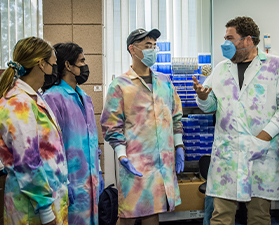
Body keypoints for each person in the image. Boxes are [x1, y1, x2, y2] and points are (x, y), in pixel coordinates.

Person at [193, 16, 279, 225]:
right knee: (221, 216)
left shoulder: (276, 66)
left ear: (248, 40)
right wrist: (203, 97)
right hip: (227, 155)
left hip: (259, 154)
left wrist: (265, 134)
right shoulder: (221, 69)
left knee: (259, 217)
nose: (224, 43)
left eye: (229, 38)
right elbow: (209, 107)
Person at [100, 28, 184, 225]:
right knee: (128, 215)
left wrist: (179, 146)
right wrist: (121, 154)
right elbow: (111, 125)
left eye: (155, 46)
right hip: (135, 163)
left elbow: (176, 117)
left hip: (161, 164)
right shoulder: (120, 85)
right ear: (133, 49)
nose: (152, 50)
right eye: (148, 46)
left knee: (152, 211)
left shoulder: (165, 82)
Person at [0, 37, 68, 225]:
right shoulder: (18, 102)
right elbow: (28, 162)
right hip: (33, 208)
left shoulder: (33, 97)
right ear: (41, 64)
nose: (55, 70)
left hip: (48, 200)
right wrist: (46, 210)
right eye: (53, 64)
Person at [41, 42, 104, 225]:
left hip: (90, 182)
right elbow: (50, 148)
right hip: (69, 184)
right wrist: (64, 182)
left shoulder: (85, 97)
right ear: (68, 65)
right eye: (82, 61)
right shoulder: (53, 98)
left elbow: (93, 140)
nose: (85, 66)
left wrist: (98, 171)